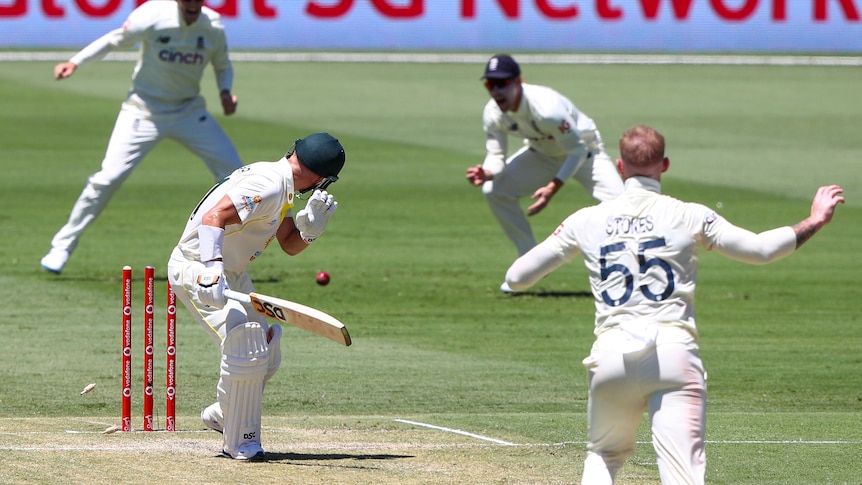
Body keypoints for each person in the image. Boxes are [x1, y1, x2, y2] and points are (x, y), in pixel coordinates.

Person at [505, 125, 844, 484]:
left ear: (620, 167)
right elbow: (761, 250)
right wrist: (815, 219)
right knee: (682, 474)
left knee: (604, 456)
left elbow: (517, 277)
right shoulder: (689, 214)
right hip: (673, 354)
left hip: (611, 357)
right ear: (664, 165)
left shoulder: (585, 219)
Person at [167, 132, 346, 461]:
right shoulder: (271, 185)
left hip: (232, 274)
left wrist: (309, 231)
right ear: (321, 179)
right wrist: (211, 269)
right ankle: (241, 443)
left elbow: (289, 243)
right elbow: (214, 218)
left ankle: (224, 415)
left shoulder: (282, 183)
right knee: (245, 343)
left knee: (267, 345)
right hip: (198, 268)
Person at [41, 0, 243, 274]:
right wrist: (75, 62)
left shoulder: (213, 25)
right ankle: (62, 246)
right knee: (107, 178)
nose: (192, 4)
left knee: (236, 175)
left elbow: (222, 64)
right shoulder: (152, 14)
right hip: (143, 110)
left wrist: (225, 91)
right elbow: (115, 40)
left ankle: (240, 253)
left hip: (189, 111)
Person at [466, 54, 624, 291]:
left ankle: (637, 271)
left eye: (502, 83)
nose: (496, 91)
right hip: (542, 154)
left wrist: (553, 187)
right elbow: (496, 156)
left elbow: (577, 150)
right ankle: (529, 262)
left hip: (586, 154)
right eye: (490, 84)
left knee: (624, 208)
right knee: (494, 189)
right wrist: (487, 171)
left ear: (518, 82)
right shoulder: (493, 113)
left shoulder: (547, 109)